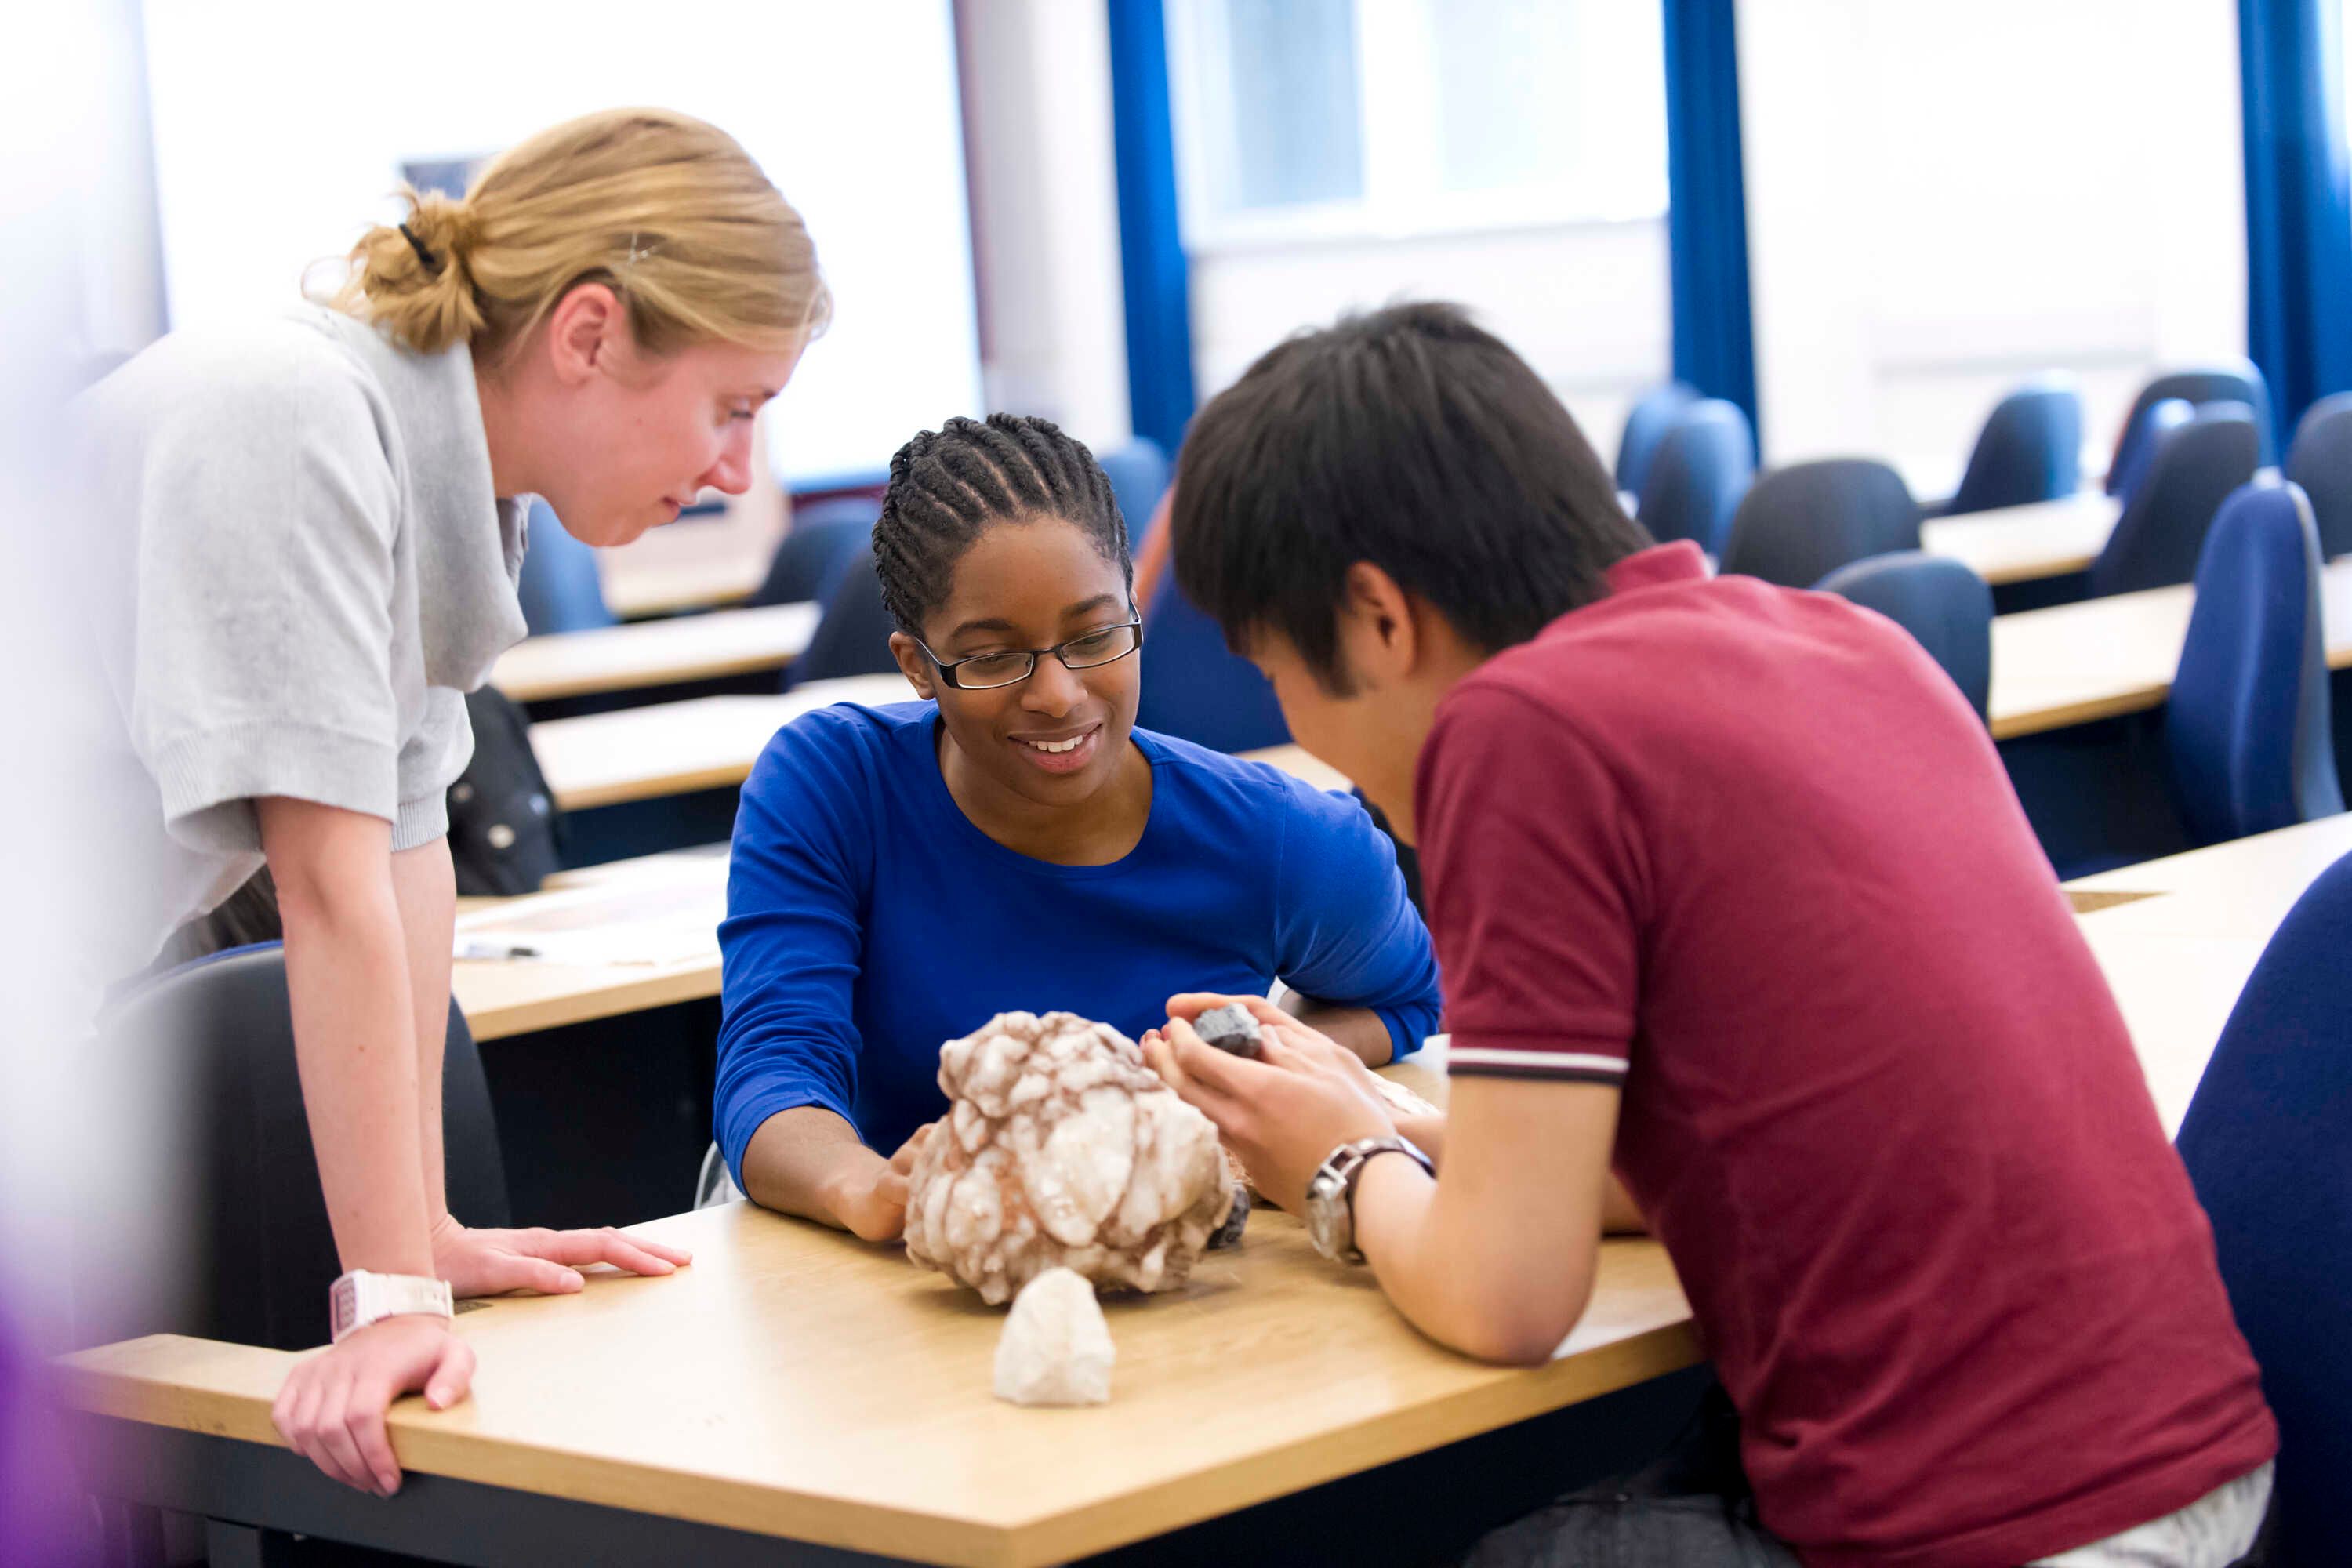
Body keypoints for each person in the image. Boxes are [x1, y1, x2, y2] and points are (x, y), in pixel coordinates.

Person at [1144, 303, 2278, 1567]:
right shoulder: (1843, 640)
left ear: (1376, 619)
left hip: (2003, 1527)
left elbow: (1506, 1299)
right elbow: (1701, 1157)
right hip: (2200, 1461)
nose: (1294, 725)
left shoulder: (1521, 732)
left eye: (1273, 669)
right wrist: (1399, 1125)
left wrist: (1341, 1166)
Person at [73, 107, 829, 1496]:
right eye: (734, 407)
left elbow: (412, 856)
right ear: (589, 333)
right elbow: (328, 887)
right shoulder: (293, 418)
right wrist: (391, 1304)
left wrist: (418, 1235)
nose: (734, 470)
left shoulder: (448, 473)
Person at [714, 413, 1440, 1240]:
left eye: (1095, 635)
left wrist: (1244, 1072)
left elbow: (1405, 996)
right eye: (992, 656)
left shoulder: (1281, 837)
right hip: (890, 1272)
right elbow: (773, 1072)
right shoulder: (833, 784)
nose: (1058, 694)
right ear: (916, 665)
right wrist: (865, 1187)